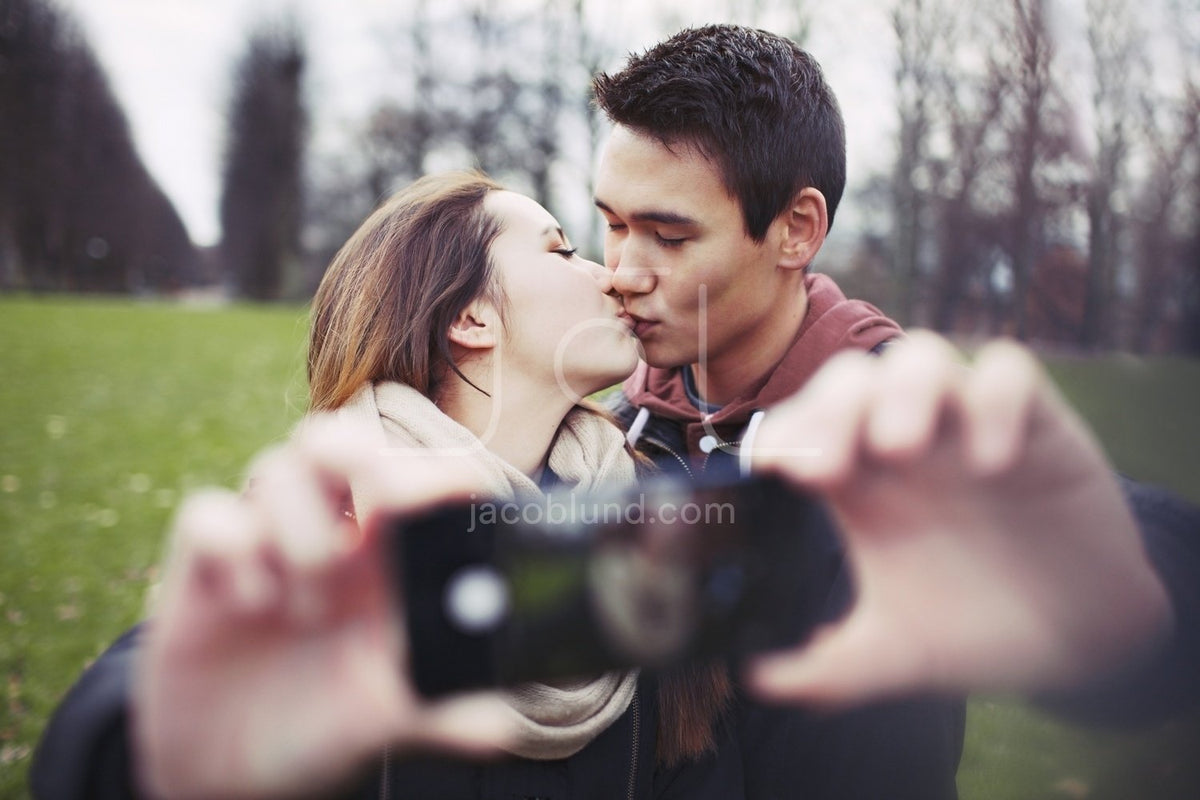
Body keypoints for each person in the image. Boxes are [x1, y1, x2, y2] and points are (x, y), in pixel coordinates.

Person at [590, 20, 1198, 797]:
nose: (623, 272)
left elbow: (1155, 563)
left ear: (796, 231)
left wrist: (1128, 599)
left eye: (668, 237)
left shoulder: (904, 423)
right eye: (612, 225)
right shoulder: (623, 425)